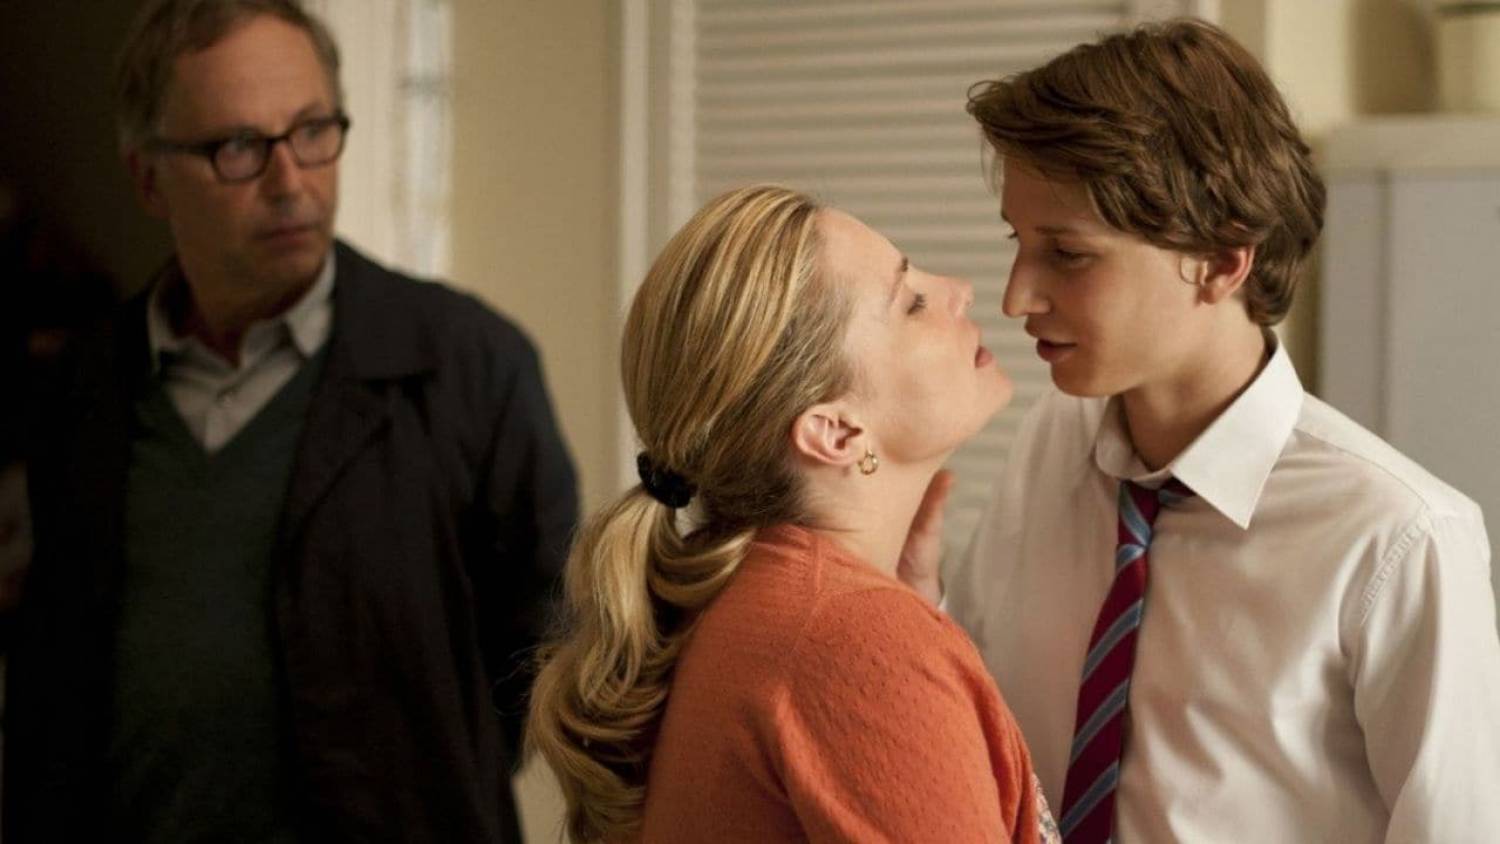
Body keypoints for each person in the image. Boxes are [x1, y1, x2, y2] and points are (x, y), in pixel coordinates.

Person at [912, 18, 1500, 843]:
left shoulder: (1398, 537)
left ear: (1223, 261)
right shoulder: (1053, 440)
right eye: (1020, 243)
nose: (1017, 298)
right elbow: (987, 737)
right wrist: (918, 611)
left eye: (1068, 254)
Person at [4, 1, 578, 841]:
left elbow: (545, 649)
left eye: (312, 131)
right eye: (239, 146)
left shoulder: (466, 366)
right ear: (149, 179)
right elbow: (51, 683)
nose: (290, 182)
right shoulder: (81, 388)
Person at [527, 185, 1056, 843]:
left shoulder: (757, 603)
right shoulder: (855, 644)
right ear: (835, 432)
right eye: (912, 302)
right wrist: (895, 636)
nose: (962, 291)